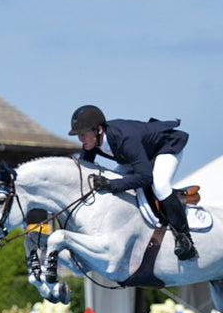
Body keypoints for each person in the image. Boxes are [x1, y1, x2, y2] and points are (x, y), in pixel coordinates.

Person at [69, 104, 198, 260]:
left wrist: (111, 184)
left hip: (165, 147)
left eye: (83, 134)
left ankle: (185, 238)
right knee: (113, 178)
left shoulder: (124, 138)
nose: (80, 139)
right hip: (137, 155)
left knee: (160, 185)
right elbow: (85, 172)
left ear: (99, 130)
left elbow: (145, 177)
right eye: (78, 135)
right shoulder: (91, 142)